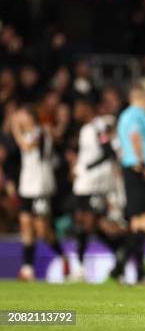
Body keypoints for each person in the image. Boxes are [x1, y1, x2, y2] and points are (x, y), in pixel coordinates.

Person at [11, 107, 69, 281]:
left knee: (42, 231)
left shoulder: (40, 132)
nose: (18, 120)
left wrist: (14, 126)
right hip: (27, 187)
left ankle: (63, 256)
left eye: (21, 116)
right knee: (25, 225)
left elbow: (26, 146)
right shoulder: (35, 132)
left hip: (40, 187)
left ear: (29, 117)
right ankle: (28, 269)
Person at [111, 79, 145, 282]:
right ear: (141, 97)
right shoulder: (136, 114)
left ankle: (137, 271)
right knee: (142, 223)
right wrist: (143, 164)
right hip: (139, 170)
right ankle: (120, 266)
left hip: (133, 169)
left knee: (139, 223)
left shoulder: (125, 115)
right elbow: (135, 137)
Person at [71, 99, 116, 281]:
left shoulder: (99, 127)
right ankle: (121, 254)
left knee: (89, 223)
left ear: (87, 107)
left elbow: (108, 153)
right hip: (83, 184)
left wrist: (86, 167)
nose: (76, 110)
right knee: (86, 223)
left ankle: (80, 268)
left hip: (95, 183)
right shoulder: (86, 128)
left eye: (78, 106)